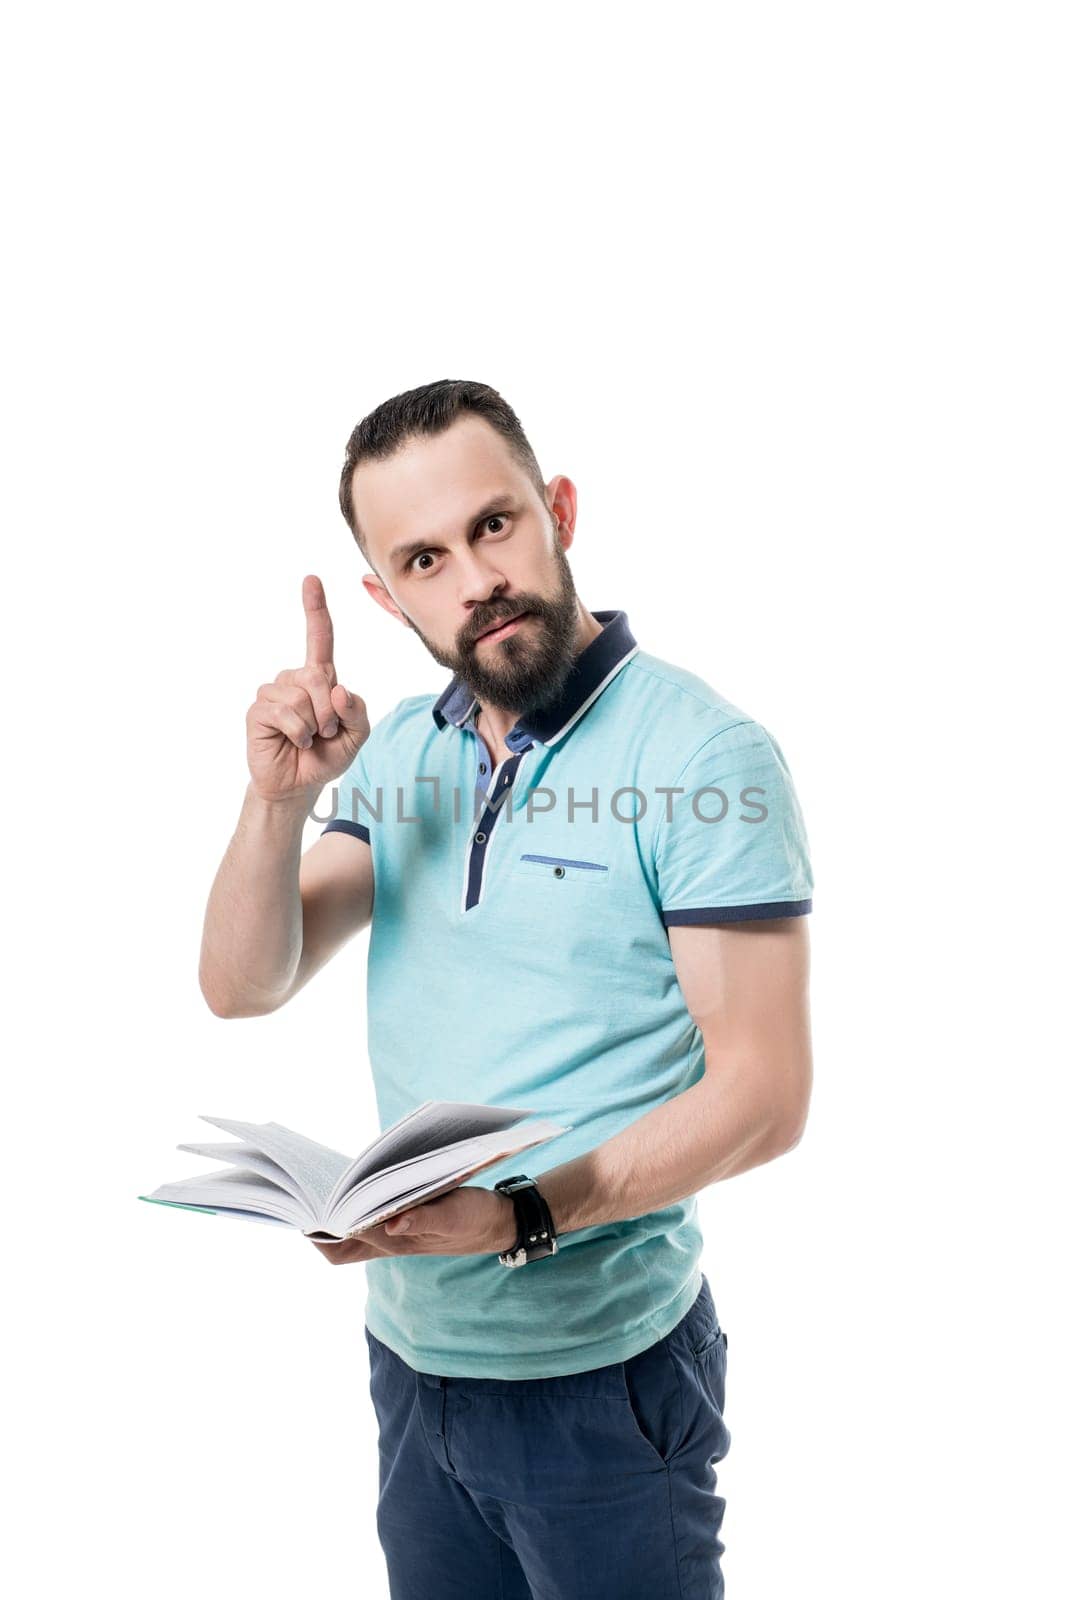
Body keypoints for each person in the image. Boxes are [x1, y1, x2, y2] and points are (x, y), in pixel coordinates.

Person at [199, 378, 814, 1599]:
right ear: (385, 594)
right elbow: (242, 982)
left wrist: (523, 1215)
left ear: (558, 511)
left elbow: (764, 1091)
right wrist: (274, 803)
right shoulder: (400, 756)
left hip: (604, 1389)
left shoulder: (700, 757)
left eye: (493, 525)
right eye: (423, 557)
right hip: (411, 1363)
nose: (472, 578)